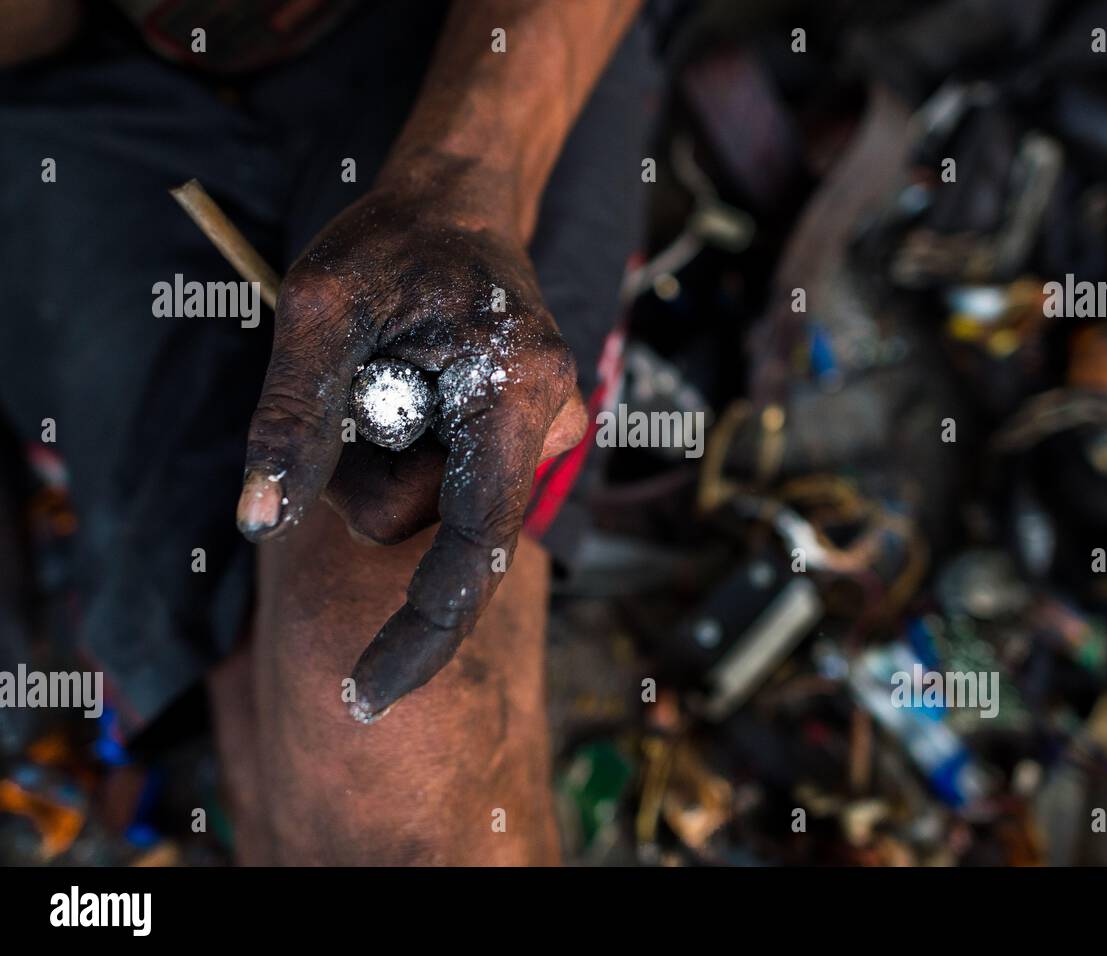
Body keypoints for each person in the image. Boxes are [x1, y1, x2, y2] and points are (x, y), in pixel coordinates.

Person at [0, 0, 661, 864]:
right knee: (242, 688)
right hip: (67, 94)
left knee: (397, 763)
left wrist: (467, 176)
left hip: (456, 49)